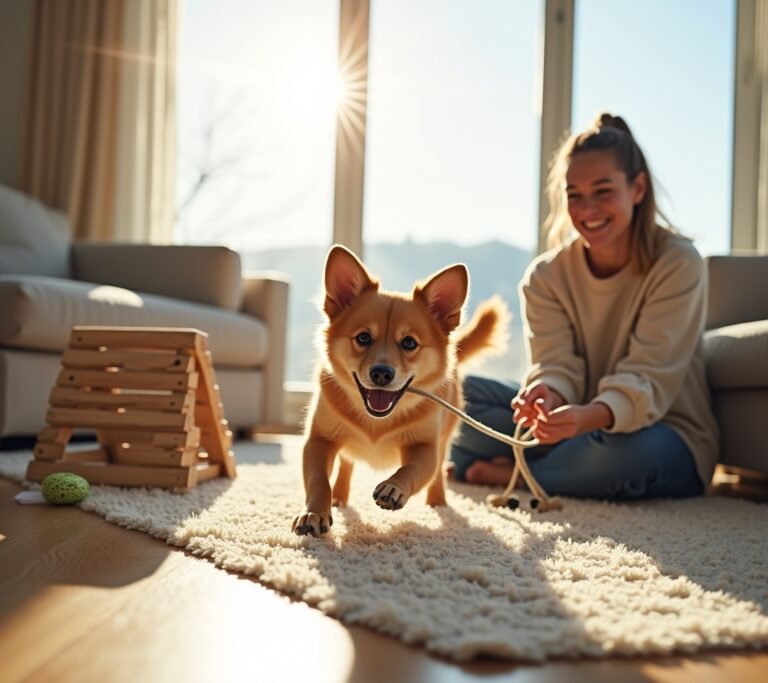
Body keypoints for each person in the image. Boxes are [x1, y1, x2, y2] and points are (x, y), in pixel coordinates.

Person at [449, 112, 719, 500]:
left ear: (638, 188)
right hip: (574, 421)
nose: (587, 209)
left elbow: (649, 378)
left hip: (663, 431)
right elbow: (556, 364)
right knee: (459, 393)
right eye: (574, 195)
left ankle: (522, 473)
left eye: (603, 191)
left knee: (626, 457)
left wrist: (587, 419)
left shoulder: (678, 263)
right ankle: (556, 462)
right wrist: (546, 394)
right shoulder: (545, 277)